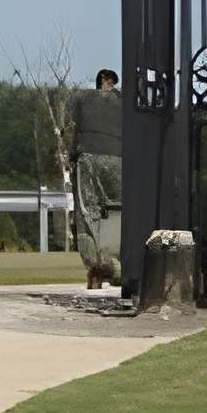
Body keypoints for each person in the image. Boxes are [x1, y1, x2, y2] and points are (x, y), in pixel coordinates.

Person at [71, 66, 122, 289]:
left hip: (95, 156)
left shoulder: (90, 101)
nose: (112, 86)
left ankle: (100, 266)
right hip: (108, 156)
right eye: (110, 82)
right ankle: (101, 266)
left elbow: (77, 128)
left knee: (93, 208)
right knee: (94, 208)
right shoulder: (114, 102)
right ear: (103, 80)